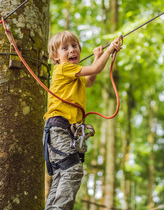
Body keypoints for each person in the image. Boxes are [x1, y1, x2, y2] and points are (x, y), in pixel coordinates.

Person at [43, 31, 122, 210]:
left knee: (62, 175)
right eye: (65, 48)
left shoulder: (73, 75)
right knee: (72, 170)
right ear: (55, 57)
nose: (72, 50)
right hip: (59, 127)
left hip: (63, 130)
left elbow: (90, 79)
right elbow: (95, 70)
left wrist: (98, 57)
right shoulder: (63, 69)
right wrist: (109, 50)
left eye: (74, 46)